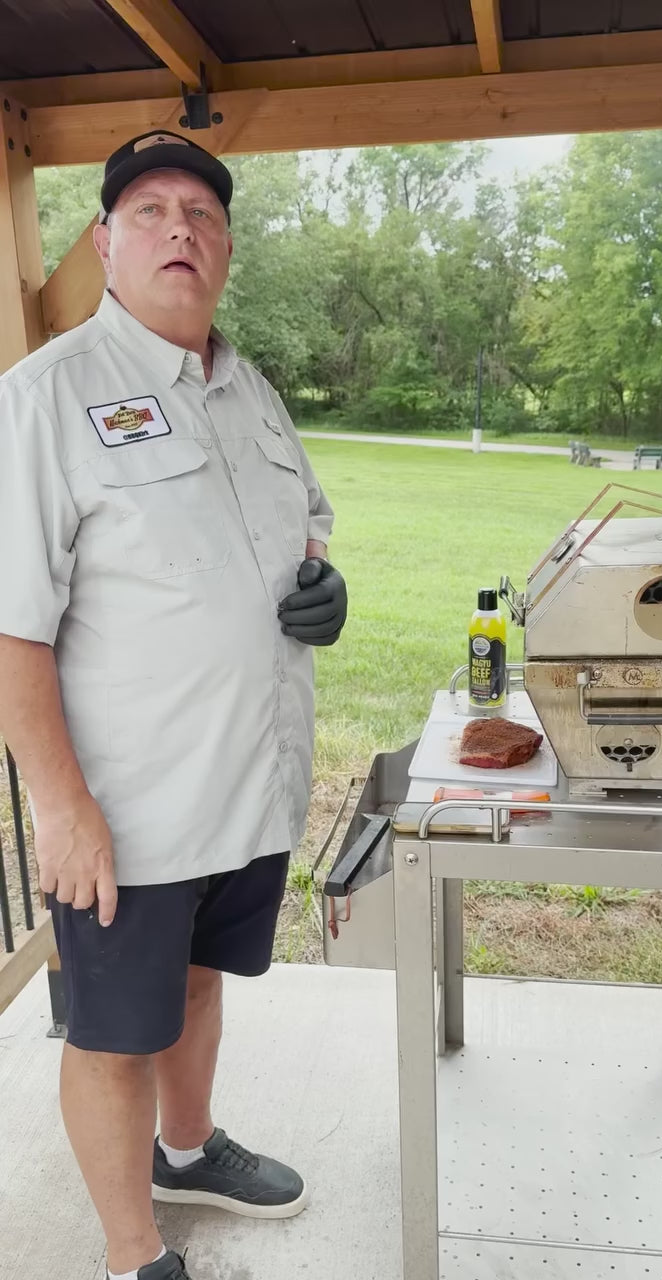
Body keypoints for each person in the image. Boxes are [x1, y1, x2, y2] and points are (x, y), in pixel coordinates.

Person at [0, 131, 347, 1280]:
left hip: (243, 785)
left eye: (201, 213)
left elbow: (308, 523)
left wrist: (322, 588)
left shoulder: (250, 387)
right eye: (148, 210)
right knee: (111, 1036)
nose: (179, 229)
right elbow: (11, 624)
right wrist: (61, 806)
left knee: (199, 981)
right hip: (128, 806)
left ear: (228, 249)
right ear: (103, 243)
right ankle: (130, 1249)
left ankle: (187, 1148)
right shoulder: (44, 401)